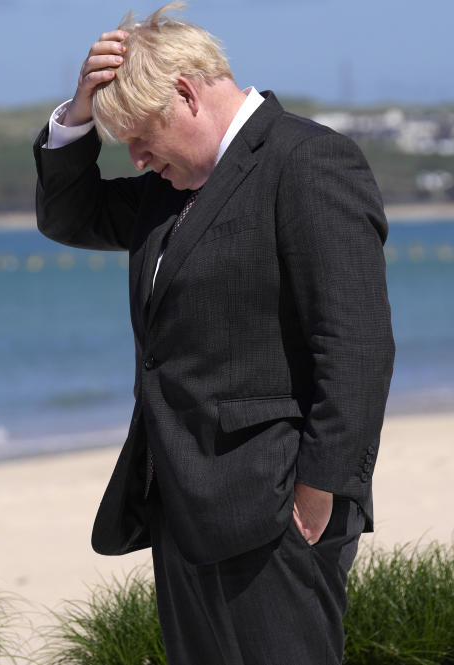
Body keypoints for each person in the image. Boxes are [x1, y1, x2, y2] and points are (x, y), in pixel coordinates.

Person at [33, 3, 394, 663]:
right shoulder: (170, 188)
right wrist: (78, 109)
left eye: (141, 137)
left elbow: (356, 343)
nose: (138, 160)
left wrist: (321, 487)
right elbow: (70, 215)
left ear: (184, 92)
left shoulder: (309, 160)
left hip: (277, 505)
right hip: (184, 502)